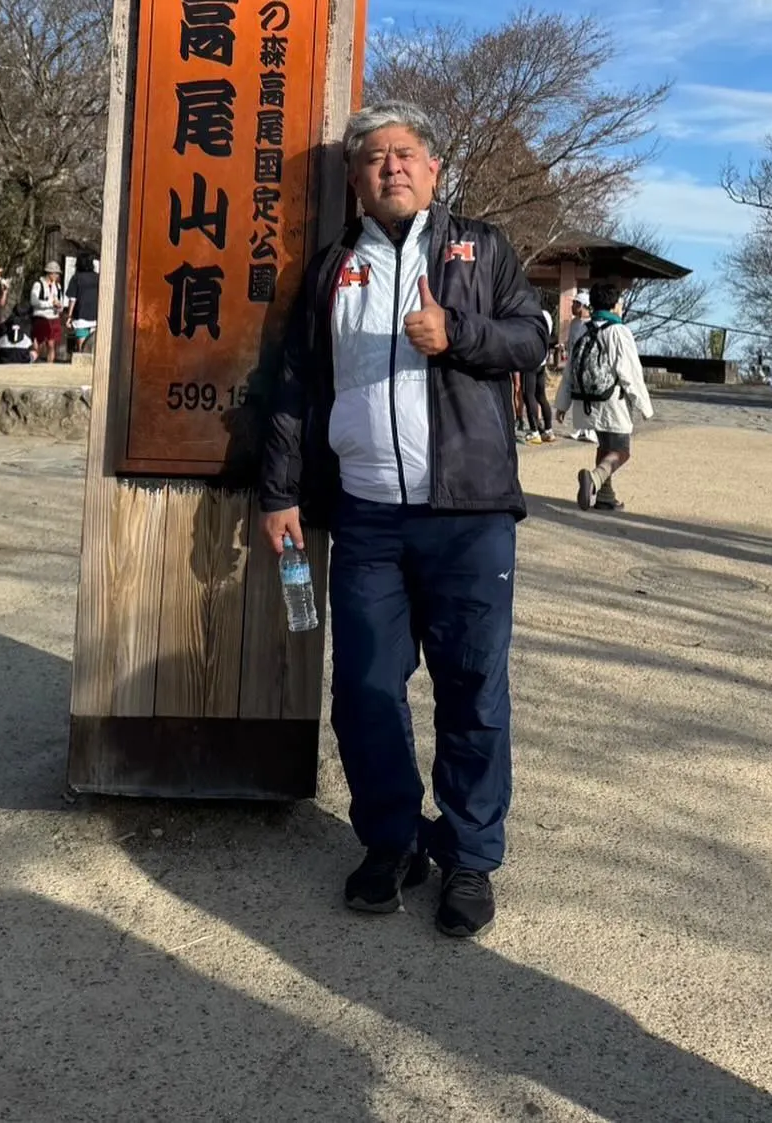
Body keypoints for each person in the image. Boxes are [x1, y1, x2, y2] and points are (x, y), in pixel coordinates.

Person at [259, 101, 548, 939]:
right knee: (365, 691)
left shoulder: (480, 248)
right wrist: (279, 492)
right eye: (373, 157)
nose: (391, 166)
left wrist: (455, 331)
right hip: (368, 519)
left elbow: (531, 338)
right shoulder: (330, 269)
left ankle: (468, 856)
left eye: (406, 153)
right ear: (353, 180)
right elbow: (296, 388)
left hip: (468, 515)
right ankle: (391, 841)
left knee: (471, 689)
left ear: (433, 170)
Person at [569, 280, 653, 513]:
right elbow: (630, 372)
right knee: (622, 451)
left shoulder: (583, 329)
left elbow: (570, 368)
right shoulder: (619, 331)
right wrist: (644, 405)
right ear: (615, 305)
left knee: (604, 447)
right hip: (612, 400)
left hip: (587, 400)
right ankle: (595, 479)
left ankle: (606, 496)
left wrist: (562, 403)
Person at [554, 293, 596, 442]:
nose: (573, 306)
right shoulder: (574, 324)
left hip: (587, 367)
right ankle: (579, 428)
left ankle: (590, 430)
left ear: (584, 306)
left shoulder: (592, 324)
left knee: (587, 399)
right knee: (576, 396)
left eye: (576, 304)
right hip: (574, 363)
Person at [518, 301, 555, 444]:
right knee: (541, 395)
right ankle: (548, 430)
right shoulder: (546, 315)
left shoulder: (527, 316)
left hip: (529, 360)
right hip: (542, 359)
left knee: (528, 395)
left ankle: (534, 431)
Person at [29, 261, 65, 363]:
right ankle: (33, 362)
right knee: (39, 343)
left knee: (51, 344)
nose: (57, 275)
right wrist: (50, 304)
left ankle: (50, 366)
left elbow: (61, 303)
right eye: (55, 273)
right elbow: (34, 301)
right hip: (41, 317)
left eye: (57, 273)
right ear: (49, 273)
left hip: (54, 317)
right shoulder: (38, 284)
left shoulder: (58, 287)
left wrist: (59, 306)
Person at [66, 254, 100, 358]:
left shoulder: (76, 278)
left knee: (82, 350)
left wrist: (69, 316)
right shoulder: (98, 277)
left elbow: (72, 299)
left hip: (80, 316)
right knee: (95, 347)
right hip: (96, 316)